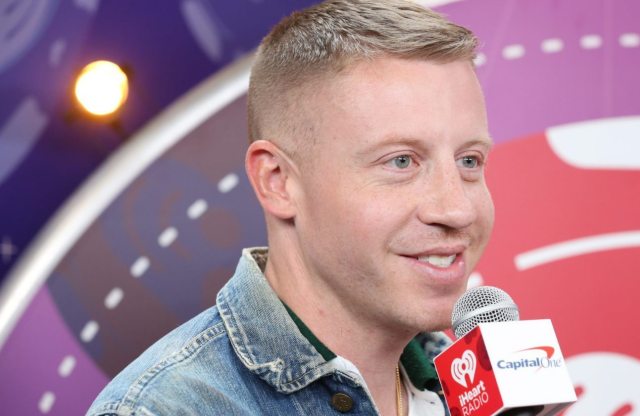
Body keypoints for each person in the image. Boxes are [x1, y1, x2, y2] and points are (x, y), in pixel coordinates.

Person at [87, 0, 494, 414]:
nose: (457, 209)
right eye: (401, 161)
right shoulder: (163, 409)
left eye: (469, 161)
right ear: (277, 181)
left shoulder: (465, 384)